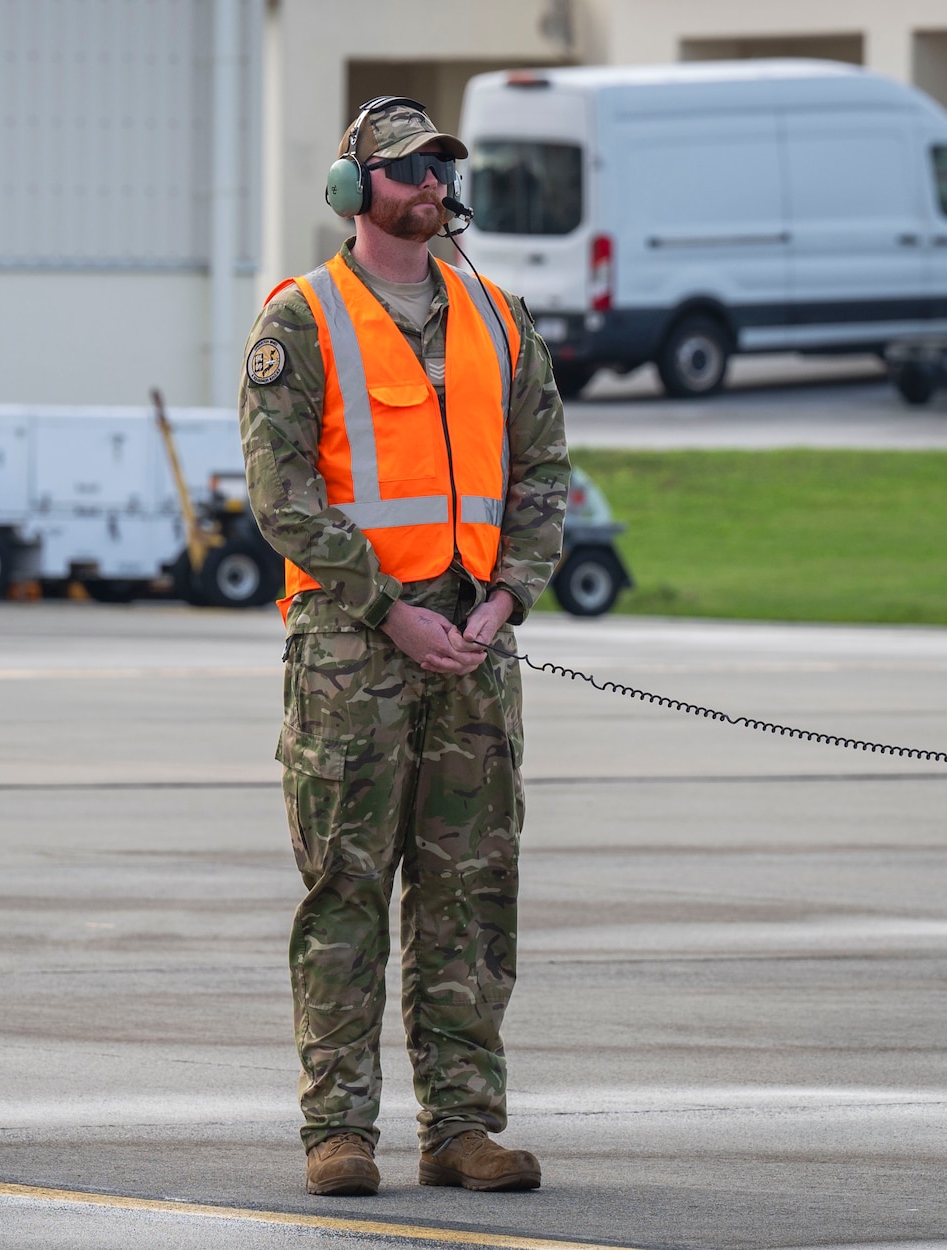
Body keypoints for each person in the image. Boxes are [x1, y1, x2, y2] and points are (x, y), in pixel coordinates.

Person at [239, 99, 570, 1196]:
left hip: (472, 651)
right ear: (353, 191)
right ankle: (337, 1130)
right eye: (407, 167)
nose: (431, 181)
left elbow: (541, 472)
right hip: (351, 651)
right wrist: (388, 609)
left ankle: (462, 1123)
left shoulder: (497, 316)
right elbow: (282, 499)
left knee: (469, 889)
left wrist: (508, 597)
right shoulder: (301, 322)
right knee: (344, 888)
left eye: (439, 165)